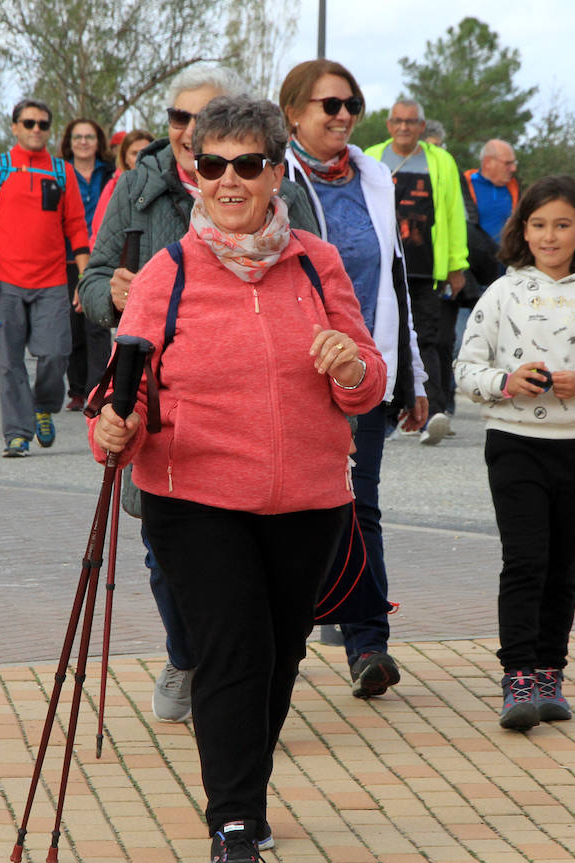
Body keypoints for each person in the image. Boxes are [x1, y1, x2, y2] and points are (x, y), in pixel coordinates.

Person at [89, 95, 387, 863]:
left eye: (246, 164)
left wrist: (353, 369)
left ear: (275, 171)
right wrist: (114, 430)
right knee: (232, 654)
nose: (227, 179)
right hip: (195, 498)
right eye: (210, 164)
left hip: (310, 501)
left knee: (282, 654)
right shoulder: (168, 271)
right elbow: (125, 390)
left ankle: (243, 805)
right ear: (194, 174)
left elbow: (367, 377)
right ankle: (233, 827)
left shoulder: (318, 265)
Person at [81, 65, 320, 725]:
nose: (189, 132)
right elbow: (93, 279)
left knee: (250, 570)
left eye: (204, 117)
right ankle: (190, 656)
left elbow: (317, 290)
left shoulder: (282, 195)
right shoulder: (139, 185)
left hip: (252, 422)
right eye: (178, 119)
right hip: (156, 410)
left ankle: (231, 682)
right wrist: (114, 294)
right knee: (165, 555)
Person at [279, 58, 429, 700]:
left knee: (359, 505)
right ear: (292, 113)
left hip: (362, 371)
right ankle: (276, 650)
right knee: (289, 513)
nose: (342, 116)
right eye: (328, 105)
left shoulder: (374, 178)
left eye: (350, 106)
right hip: (292, 377)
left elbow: (395, 281)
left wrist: (414, 376)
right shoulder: (266, 177)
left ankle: (368, 644)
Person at [454, 175, 575, 732]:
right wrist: (505, 380)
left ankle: (550, 673)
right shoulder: (502, 292)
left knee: (561, 566)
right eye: (539, 225)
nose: (550, 236)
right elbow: (465, 371)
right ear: (523, 230)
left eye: (562, 225)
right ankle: (517, 675)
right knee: (524, 560)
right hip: (514, 444)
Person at [0, 99, 90, 457]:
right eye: (28, 123)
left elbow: (77, 227)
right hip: (6, 286)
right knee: (9, 361)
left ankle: (44, 405)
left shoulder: (62, 172)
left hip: (51, 284)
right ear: (14, 127)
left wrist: (86, 278)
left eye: (43, 125)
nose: (35, 130)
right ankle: (17, 433)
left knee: (55, 355)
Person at [365, 99, 468, 445]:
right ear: (389, 124)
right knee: (381, 338)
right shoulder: (371, 157)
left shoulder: (441, 161)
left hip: (426, 268)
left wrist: (457, 265)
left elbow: (454, 216)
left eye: (411, 122)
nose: (404, 127)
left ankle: (433, 413)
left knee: (430, 340)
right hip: (383, 266)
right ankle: (387, 412)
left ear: (422, 127)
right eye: (398, 121)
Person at [59, 118, 115, 411]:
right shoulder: (59, 172)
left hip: (102, 256)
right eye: (77, 137)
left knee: (97, 324)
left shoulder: (110, 173)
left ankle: (97, 389)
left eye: (89, 136)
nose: (83, 142)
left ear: (98, 141)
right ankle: (77, 389)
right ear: (69, 142)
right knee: (73, 324)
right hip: (67, 257)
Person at [89, 128, 154, 240]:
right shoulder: (114, 186)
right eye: (135, 154)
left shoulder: (167, 185)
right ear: (125, 159)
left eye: (146, 152)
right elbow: (99, 232)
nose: (141, 159)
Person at [463, 139, 520, 246]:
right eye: (508, 163)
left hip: (506, 259)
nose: (513, 168)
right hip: (474, 259)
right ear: (487, 162)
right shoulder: (465, 186)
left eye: (514, 163)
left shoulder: (514, 188)